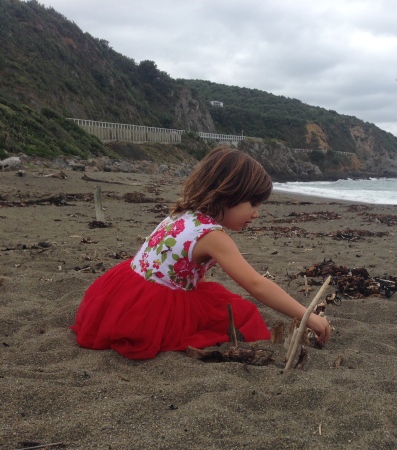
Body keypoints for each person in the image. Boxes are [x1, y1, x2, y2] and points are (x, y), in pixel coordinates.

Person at [71, 146, 331, 359]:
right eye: (252, 204)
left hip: (123, 292)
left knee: (220, 303)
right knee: (244, 315)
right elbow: (256, 284)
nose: (256, 213)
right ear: (228, 195)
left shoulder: (182, 214)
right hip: (150, 310)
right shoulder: (214, 237)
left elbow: (184, 266)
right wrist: (309, 317)